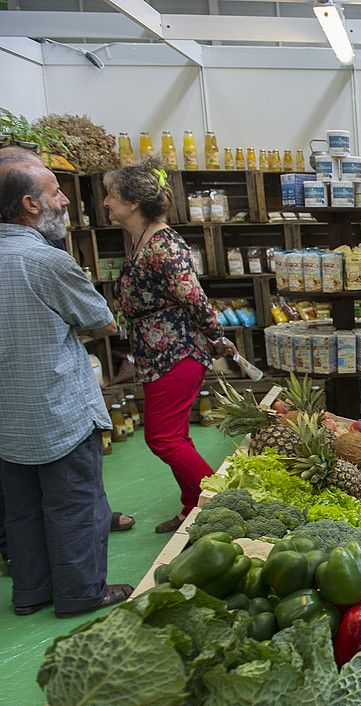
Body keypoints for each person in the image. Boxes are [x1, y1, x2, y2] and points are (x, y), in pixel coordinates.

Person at [0, 162, 134, 617]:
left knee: (22, 509)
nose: (65, 202)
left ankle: (31, 592)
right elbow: (103, 320)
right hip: (56, 406)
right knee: (76, 503)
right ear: (29, 205)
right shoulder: (46, 261)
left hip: (8, 414)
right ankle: (81, 592)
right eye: (56, 192)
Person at [104, 161, 234, 533]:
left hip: (177, 352)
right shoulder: (143, 239)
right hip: (158, 353)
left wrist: (217, 336)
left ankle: (223, 504)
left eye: (112, 195)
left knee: (162, 437)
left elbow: (194, 297)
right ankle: (192, 507)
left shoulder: (162, 243)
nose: (106, 203)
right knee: (174, 435)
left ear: (132, 202)